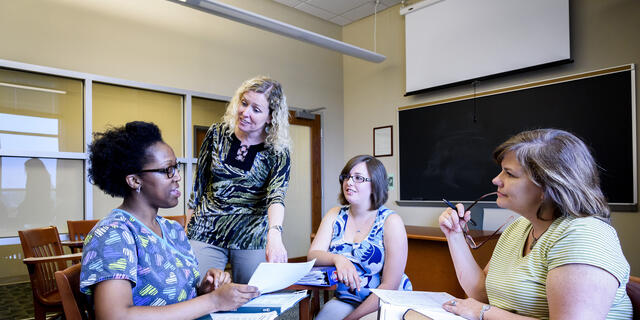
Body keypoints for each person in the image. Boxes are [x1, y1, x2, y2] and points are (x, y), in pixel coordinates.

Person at [438, 129, 633, 320]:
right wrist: (454, 234)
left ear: (548, 187)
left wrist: (483, 313)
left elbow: (482, 306)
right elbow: (482, 294)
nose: (496, 180)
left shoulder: (586, 236)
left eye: (510, 174)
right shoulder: (520, 227)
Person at [80, 121, 259, 320]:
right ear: (134, 180)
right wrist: (213, 301)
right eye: (167, 170)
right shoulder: (114, 234)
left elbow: (176, 300)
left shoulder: (172, 229)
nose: (177, 177)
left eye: (176, 167)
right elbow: (114, 316)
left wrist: (205, 289)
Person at [187, 76, 292, 284]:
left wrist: (274, 234)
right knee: (199, 288)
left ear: (271, 117)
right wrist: (187, 231)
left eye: (256, 109)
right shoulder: (216, 134)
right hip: (207, 227)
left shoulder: (278, 152)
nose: (245, 112)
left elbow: (276, 197)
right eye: (244, 103)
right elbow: (198, 185)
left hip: (250, 233)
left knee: (251, 293)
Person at [308, 155, 412, 320]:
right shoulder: (334, 215)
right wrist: (339, 259)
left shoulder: (391, 222)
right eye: (347, 177)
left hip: (385, 302)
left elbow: (390, 286)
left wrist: (351, 319)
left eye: (358, 178)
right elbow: (313, 254)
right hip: (347, 299)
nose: (349, 182)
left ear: (375, 185)